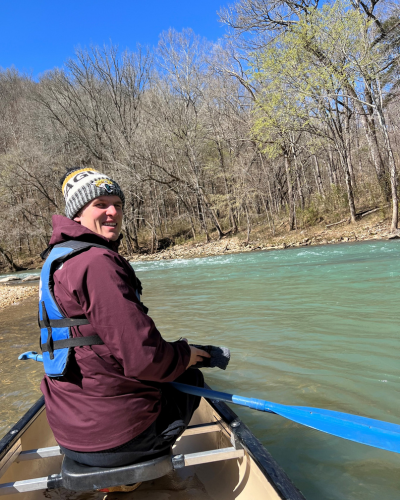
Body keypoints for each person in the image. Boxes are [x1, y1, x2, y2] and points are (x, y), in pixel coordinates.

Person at [39, 167, 210, 468]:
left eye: (117, 204)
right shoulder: (97, 262)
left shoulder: (57, 260)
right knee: (191, 378)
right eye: (101, 204)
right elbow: (145, 359)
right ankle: (145, 467)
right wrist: (186, 354)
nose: (113, 212)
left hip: (68, 436)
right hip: (119, 439)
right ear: (77, 213)